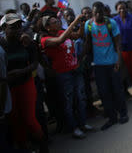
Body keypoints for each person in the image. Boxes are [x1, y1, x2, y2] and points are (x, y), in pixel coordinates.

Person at [0, 13, 48, 152]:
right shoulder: (1, 45)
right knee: (15, 122)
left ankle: (44, 147)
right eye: (13, 27)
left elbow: (34, 63)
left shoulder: (26, 42)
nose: (17, 29)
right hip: (8, 88)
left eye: (19, 26)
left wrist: (21, 71)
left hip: (26, 83)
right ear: (4, 28)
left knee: (30, 120)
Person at [41, 14, 93, 139]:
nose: (58, 22)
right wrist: (75, 21)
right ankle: (74, 128)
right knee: (68, 102)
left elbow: (78, 35)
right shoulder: (45, 39)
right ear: (48, 27)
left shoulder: (61, 31)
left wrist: (81, 24)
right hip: (63, 74)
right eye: (54, 22)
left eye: (57, 20)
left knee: (80, 98)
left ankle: (83, 123)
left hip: (75, 70)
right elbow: (60, 40)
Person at [84, 2, 128, 130]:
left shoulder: (111, 23)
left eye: (100, 12)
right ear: (92, 13)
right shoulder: (89, 25)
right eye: (95, 13)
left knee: (117, 89)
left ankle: (123, 114)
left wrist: (119, 61)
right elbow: (87, 43)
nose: (98, 15)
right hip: (98, 64)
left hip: (112, 62)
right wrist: (82, 58)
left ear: (104, 12)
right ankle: (112, 117)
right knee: (104, 92)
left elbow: (118, 43)